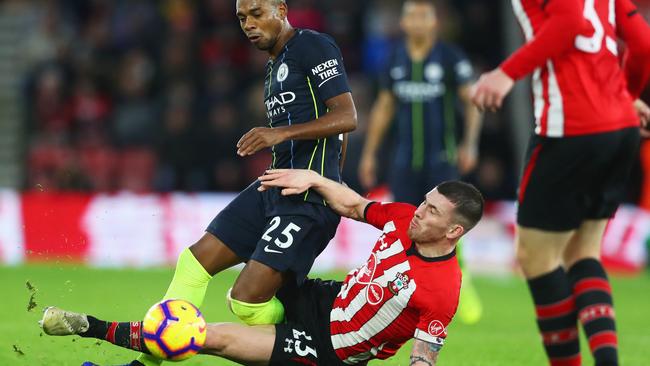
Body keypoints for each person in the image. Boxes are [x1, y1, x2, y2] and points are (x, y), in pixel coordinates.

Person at [118, 1, 358, 365]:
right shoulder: (275, 63)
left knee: (246, 303)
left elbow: (347, 116)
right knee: (193, 263)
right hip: (273, 187)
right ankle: (147, 361)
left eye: (257, 13)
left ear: (281, 8)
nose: (249, 24)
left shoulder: (313, 45)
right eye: (242, 18)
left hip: (306, 197)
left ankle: (317, 337)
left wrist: (320, 174)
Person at [41, 170, 484, 366]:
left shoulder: (443, 291)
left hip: (327, 348)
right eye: (424, 202)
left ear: (454, 233)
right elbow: (355, 205)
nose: (420, 212)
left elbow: (424, 357)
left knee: (199, 336)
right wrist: (314, 179)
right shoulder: (405, 216)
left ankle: (87, 325)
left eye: (432, 211)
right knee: (243, 288)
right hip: (323, 299)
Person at [470, 1, 650, 365]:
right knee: (583, 252)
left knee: (535, 258)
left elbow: (568, 21)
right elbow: (643, 43)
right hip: (619, 128)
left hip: (570, 128)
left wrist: (506, 73)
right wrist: (627, 97)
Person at [358, 0, 483, 325]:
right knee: (404, 225)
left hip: (442, 159)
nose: (416, 21)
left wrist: (470, 143)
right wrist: (370, 153)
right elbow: (384, 108)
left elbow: (471, 103)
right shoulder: (393, 59)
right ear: (403, 22)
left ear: (434, 22)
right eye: (410, 15)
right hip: (404, 159)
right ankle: (401, 289)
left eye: (423, 15)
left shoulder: (450, 57)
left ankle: (461, 283)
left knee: (448, 226)